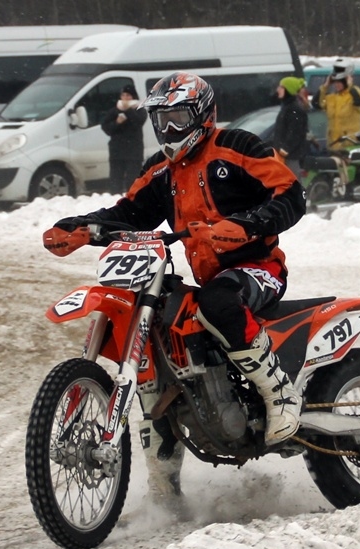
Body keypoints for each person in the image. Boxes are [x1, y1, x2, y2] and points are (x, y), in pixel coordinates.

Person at [43, 72, 307, 504]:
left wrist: (242, 227)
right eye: (160, 120)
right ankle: (164, 484)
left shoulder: (238, 148)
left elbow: (291, 195)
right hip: (209, 276)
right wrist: (80, 228)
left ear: (203, 115)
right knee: (161, 336)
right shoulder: (160, 171)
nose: (167, 130)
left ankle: (281, 393)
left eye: (177, 118)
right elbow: (127, 212)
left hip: (259, 267)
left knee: (218, 299)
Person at [100, 84, 147, 194]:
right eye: (123, 95)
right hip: (117, 151)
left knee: (133, 180)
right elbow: (106, 127)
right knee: (115, 180)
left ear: (133, 96)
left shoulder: (139, 109)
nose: (125, 98)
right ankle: (114, 201)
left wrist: (128, 111)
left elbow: (138, 122)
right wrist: (117, 123)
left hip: (134, 151)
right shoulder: (115, 110)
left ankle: (132, 202)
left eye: (128, 95)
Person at [313, 59, 360, 150]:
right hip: (333, 145)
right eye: (335, 82)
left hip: (350, 145)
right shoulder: (331, 98)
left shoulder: (354, 94)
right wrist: (325, 86)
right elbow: (315, 104)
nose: (336, 85)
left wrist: (350, 85)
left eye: (339, 82)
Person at [271, 76, 310, 177]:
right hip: (284, 157)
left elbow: (295, 133)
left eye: (281, 87)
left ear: (288, 90)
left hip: (292, 157)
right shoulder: (287, 107)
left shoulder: (294, 109)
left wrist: (285, 149)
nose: (278, 90)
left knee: (292, 183)